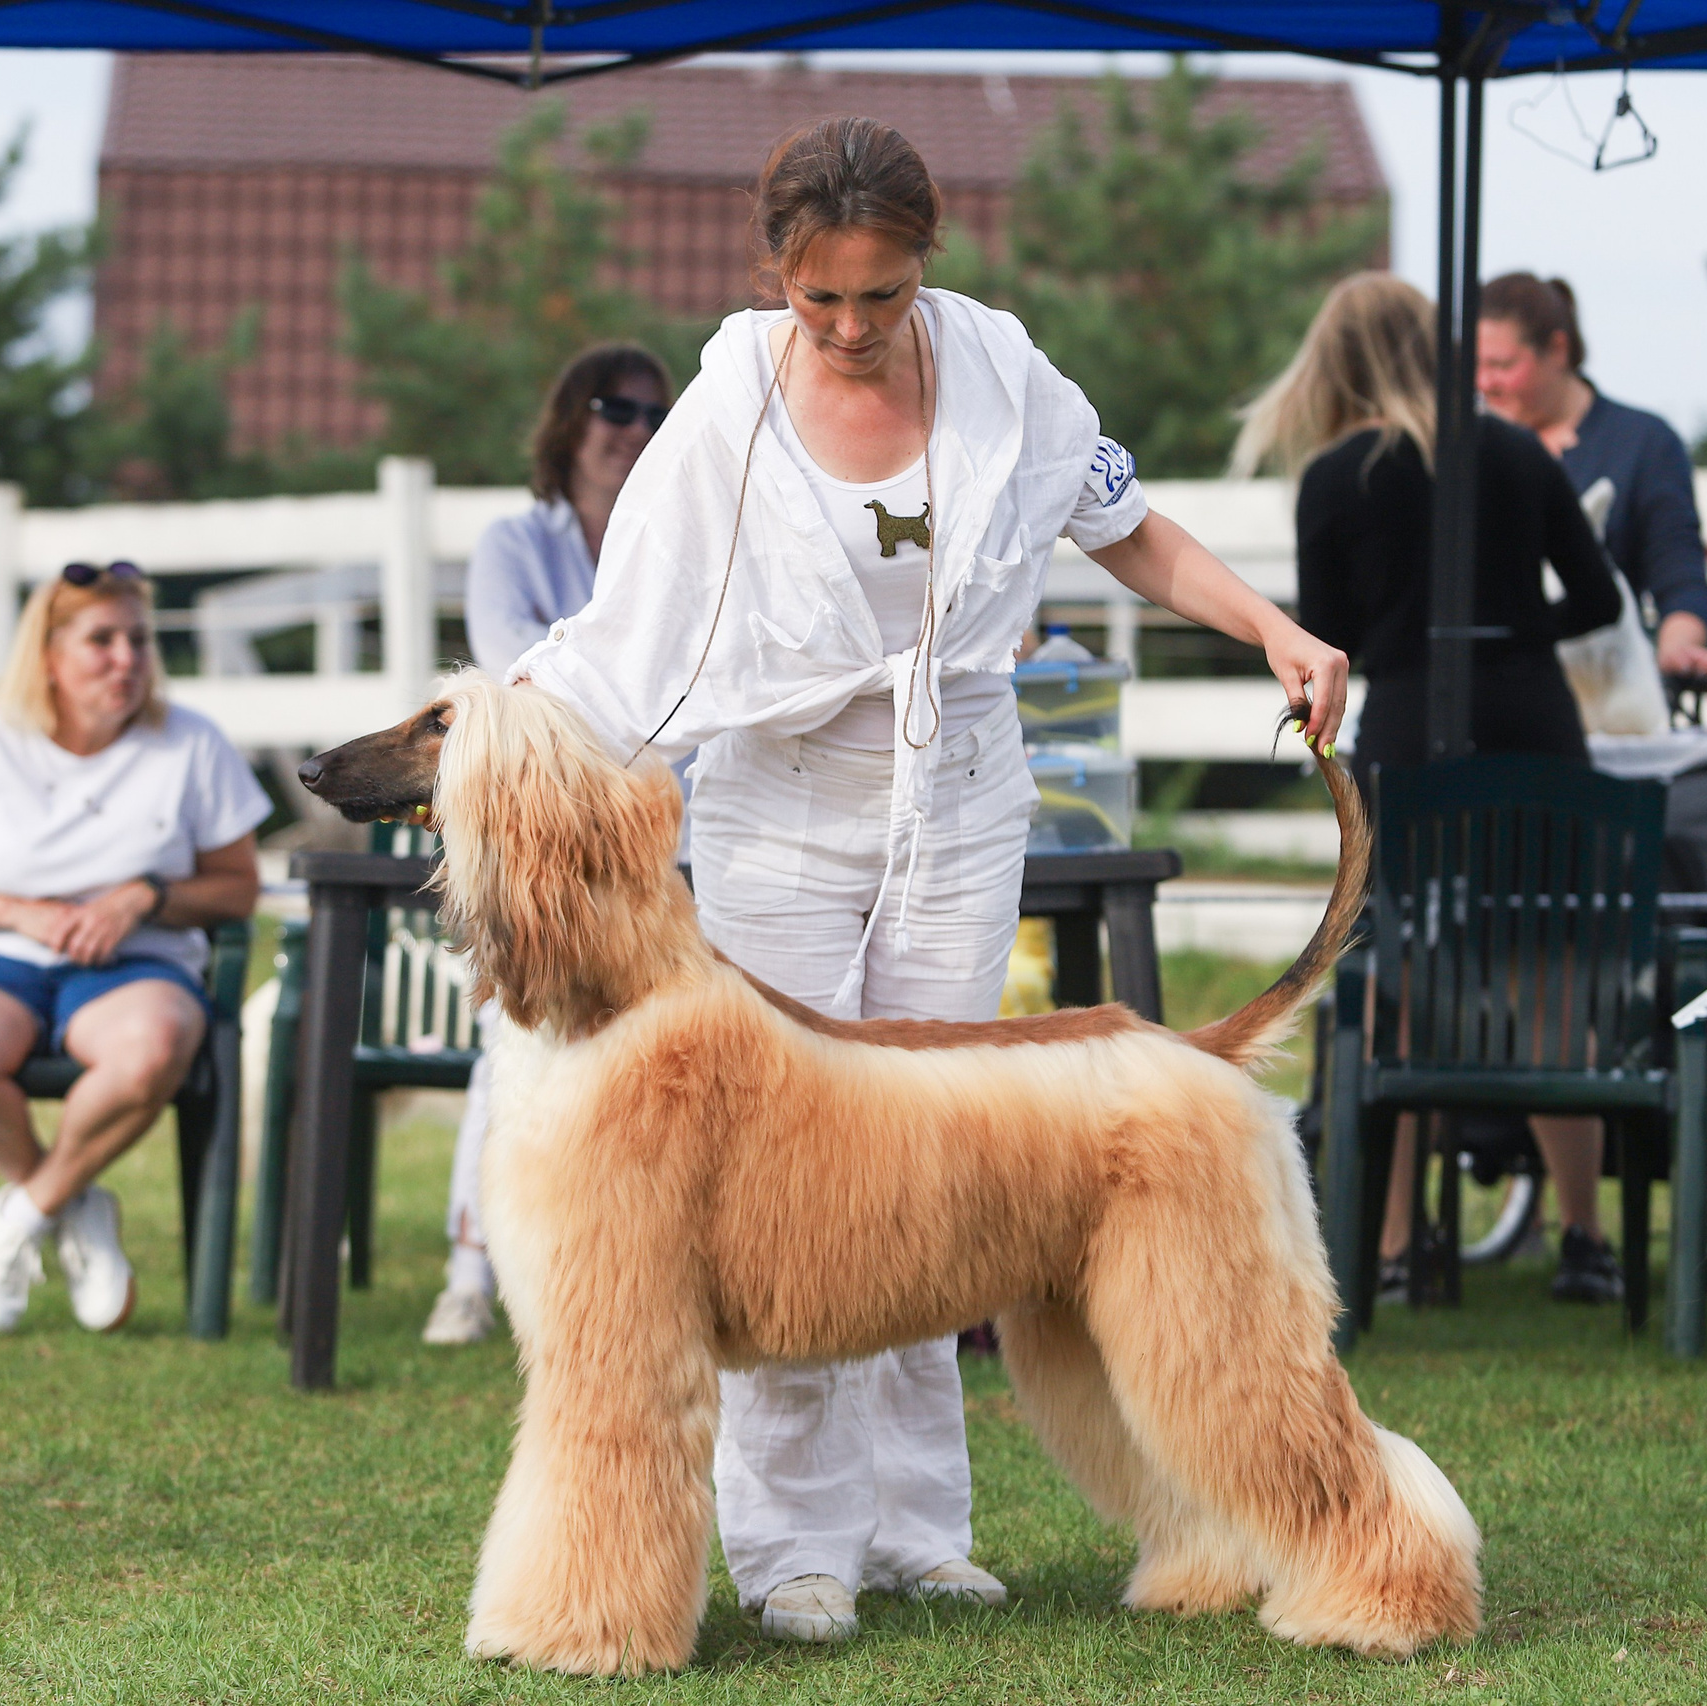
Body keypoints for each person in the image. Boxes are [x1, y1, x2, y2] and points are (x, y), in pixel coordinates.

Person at [509, 116, 1349, 1647]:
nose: (848, 327)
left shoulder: (1004, 375)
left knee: (946, 1183)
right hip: (780, 805)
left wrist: (1271, 629)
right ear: (779, 276)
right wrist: (496, 746)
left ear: (926, 265)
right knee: (792, 1193)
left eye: (879, 297)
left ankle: (920, 1523)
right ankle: (795, 1546)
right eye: (819, 298)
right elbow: (622, 635)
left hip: (957, 798)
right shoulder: (721, 416)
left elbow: (1132, 529)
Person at [1235, 270, 1630, 1305]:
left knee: (1397, 985)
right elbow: (1594, 596)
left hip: (1411, 740)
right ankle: (1584, 1237)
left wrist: (1409, 643)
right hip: (1540, 737)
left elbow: (1328, 642)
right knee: (1550, 977)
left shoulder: (1335, 478)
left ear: (1336, 364)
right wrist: (1509, 639)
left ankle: (1403, 1248)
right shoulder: (1516, 453)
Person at [0, 563, 269, 1336]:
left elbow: (237, 889)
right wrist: (14, 912)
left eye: (139, 639)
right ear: (48, 654)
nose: (127, 658)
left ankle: (17, 1220)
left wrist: (144, 895)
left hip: (139, 964)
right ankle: (73, 1205)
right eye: (102, 640)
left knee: (154, 1047)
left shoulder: (191, 743)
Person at [424, 342, 675, 1348]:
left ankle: (631, 1263)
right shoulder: (513, 543)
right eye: (616, 407)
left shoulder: (675, 534)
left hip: (658, 831)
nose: (635, 430)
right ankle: (470, 1262)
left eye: (656, 414)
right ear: (571, 420)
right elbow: (507, 676)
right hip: (541, 835)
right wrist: (622, 690)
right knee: (519, 1034)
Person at [1475, 272, 1707, 690]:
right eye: (1476, 366)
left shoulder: (1643, 442)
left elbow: (1677, 566)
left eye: (1502, 365)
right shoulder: (1466, 448)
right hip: (1495, 690)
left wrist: (1679, 644)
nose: (1485, 383)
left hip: (1609, 691)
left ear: (1557, 349)